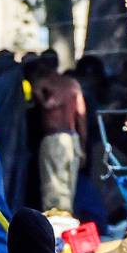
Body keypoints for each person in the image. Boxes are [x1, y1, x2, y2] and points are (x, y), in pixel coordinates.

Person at [32, 56, 87, 213]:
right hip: (72, 138)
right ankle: (65, 222)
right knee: (68, 189)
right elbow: (81, 117)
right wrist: (83, 146)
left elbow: (45, 104)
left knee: (52, 190)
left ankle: (56, 226)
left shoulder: (42, 84)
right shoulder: (73, 85)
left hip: (54, 139)